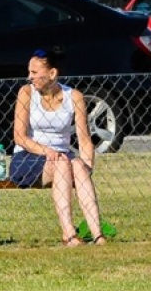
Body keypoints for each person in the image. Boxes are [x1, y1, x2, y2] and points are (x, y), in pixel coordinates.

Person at [11, 47, 106, 246]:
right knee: (62, 163)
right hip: (29, 156)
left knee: (77, 164)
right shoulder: (26, 93)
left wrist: (87, 166)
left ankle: (98, 235)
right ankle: (69, 234)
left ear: (52, 73)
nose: (29, 77)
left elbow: (84, 139)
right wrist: (48, 151)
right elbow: (19, 137)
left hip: (62, 156)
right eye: (29, 72)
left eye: (34, 72)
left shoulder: (74, 96)